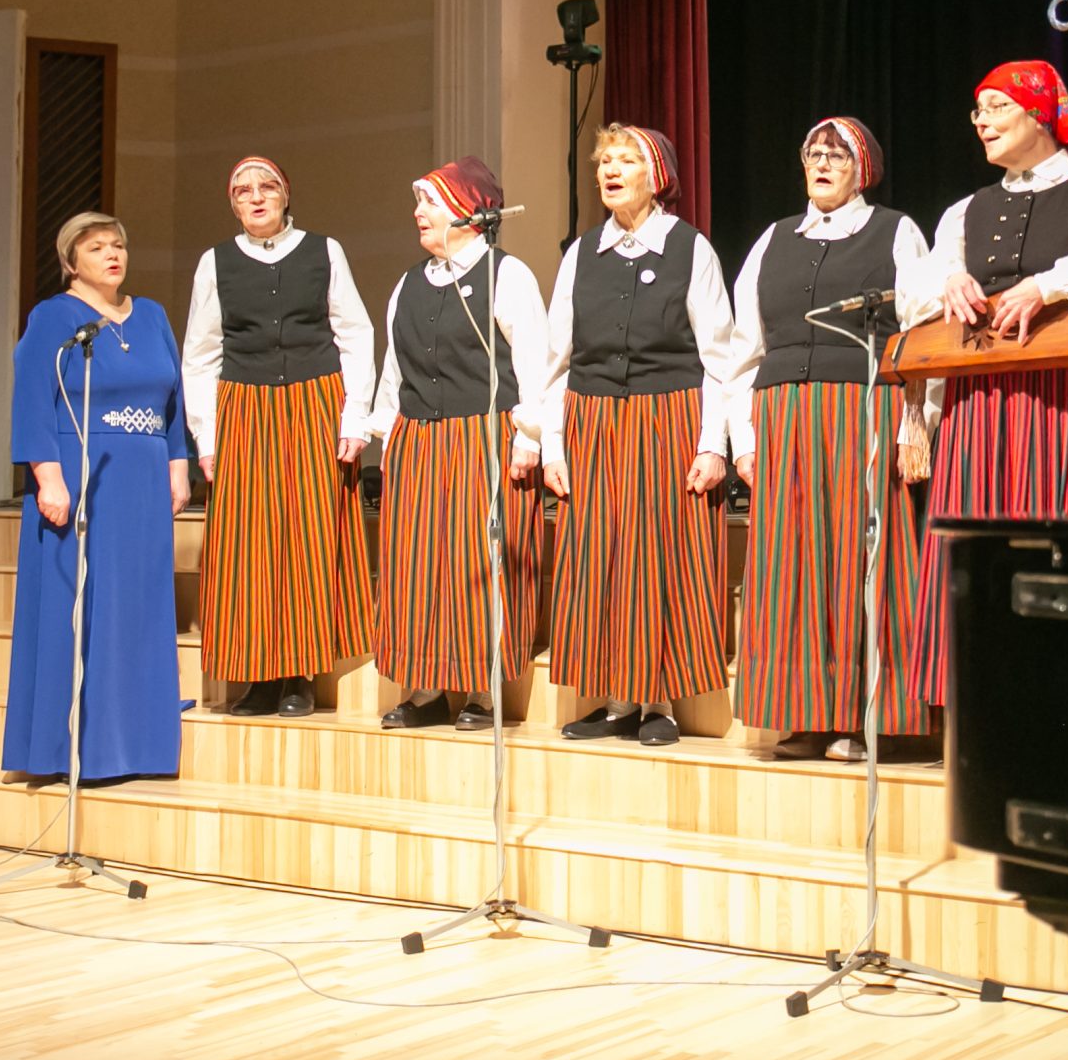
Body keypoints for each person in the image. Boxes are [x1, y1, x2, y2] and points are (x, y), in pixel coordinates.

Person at [902, 61, 1068, 707]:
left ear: (1039, 113)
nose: (981, 122)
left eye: (996, 107)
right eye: (977, 111)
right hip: (979, 399)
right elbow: (920, 288)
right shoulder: (965, 211)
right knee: (977, 538)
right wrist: (949, 282)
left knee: (1064, 526)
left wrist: (1048, 284)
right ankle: (977, 696)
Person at [727, 117, 933, 762]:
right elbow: (744, 348)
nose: (821, 163)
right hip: (783, 414)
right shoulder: (774, 239)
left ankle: (878, 719)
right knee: (791, 563)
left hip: (862, 409)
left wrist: (915, 422)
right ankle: (807, 714)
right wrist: (743, 438)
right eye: (813, 153)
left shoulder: (895, 231)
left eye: (836, 155)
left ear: (862, 169)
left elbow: (921, 331)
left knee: (866, 555)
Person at [543, 124, 744, 747]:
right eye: (605, 160)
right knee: (599, 558)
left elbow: (720, 358)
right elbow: (556, 359)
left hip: (668, 417)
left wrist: (713, 444)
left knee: (660, 557)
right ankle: (616, 700)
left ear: (656, 177)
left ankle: (659, 702)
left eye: (626, 160)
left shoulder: (689, 248)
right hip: (593, 420)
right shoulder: (582, 254)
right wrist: (553, 444)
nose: (610, 170)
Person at [180, 156, 375, 718]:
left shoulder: (324, 251)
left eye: (267, 187)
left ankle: (300, 674)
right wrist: (207, 436)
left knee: (308, 534)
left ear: (286, 195)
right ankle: (258, 675)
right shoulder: (215, 262)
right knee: (250, 542)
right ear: (233, 204)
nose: (257, 197)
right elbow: (201, 354)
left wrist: (354, 418)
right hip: (245, 408)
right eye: (244, 191)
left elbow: (355, 334)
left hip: (314, 403)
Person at [365, 156, 551, 730]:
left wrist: (530, 436)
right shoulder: (408, 284)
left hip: (483, 435)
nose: (418, 213)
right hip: (419, 439)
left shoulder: (507, 275)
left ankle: (481, 690)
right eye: (418, 202)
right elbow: (395, 370)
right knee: (417, 564)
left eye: (430, 202)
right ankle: (424, 687)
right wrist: (388, 438)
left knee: (477, 561)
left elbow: (534, 363)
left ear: (469, 210)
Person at [3, 212, 189, 780]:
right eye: (96, 248)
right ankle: (70, 750)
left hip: (144, 480)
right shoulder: (54, 317)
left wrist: (178, 463)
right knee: (81, 608)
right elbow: (33, 398)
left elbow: (173, 398)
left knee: (138, 605)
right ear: (70, 262)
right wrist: (47, 476)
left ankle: (139, 743)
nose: (112, 255)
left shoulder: (151, 315)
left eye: (117, 245)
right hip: (82, 473)